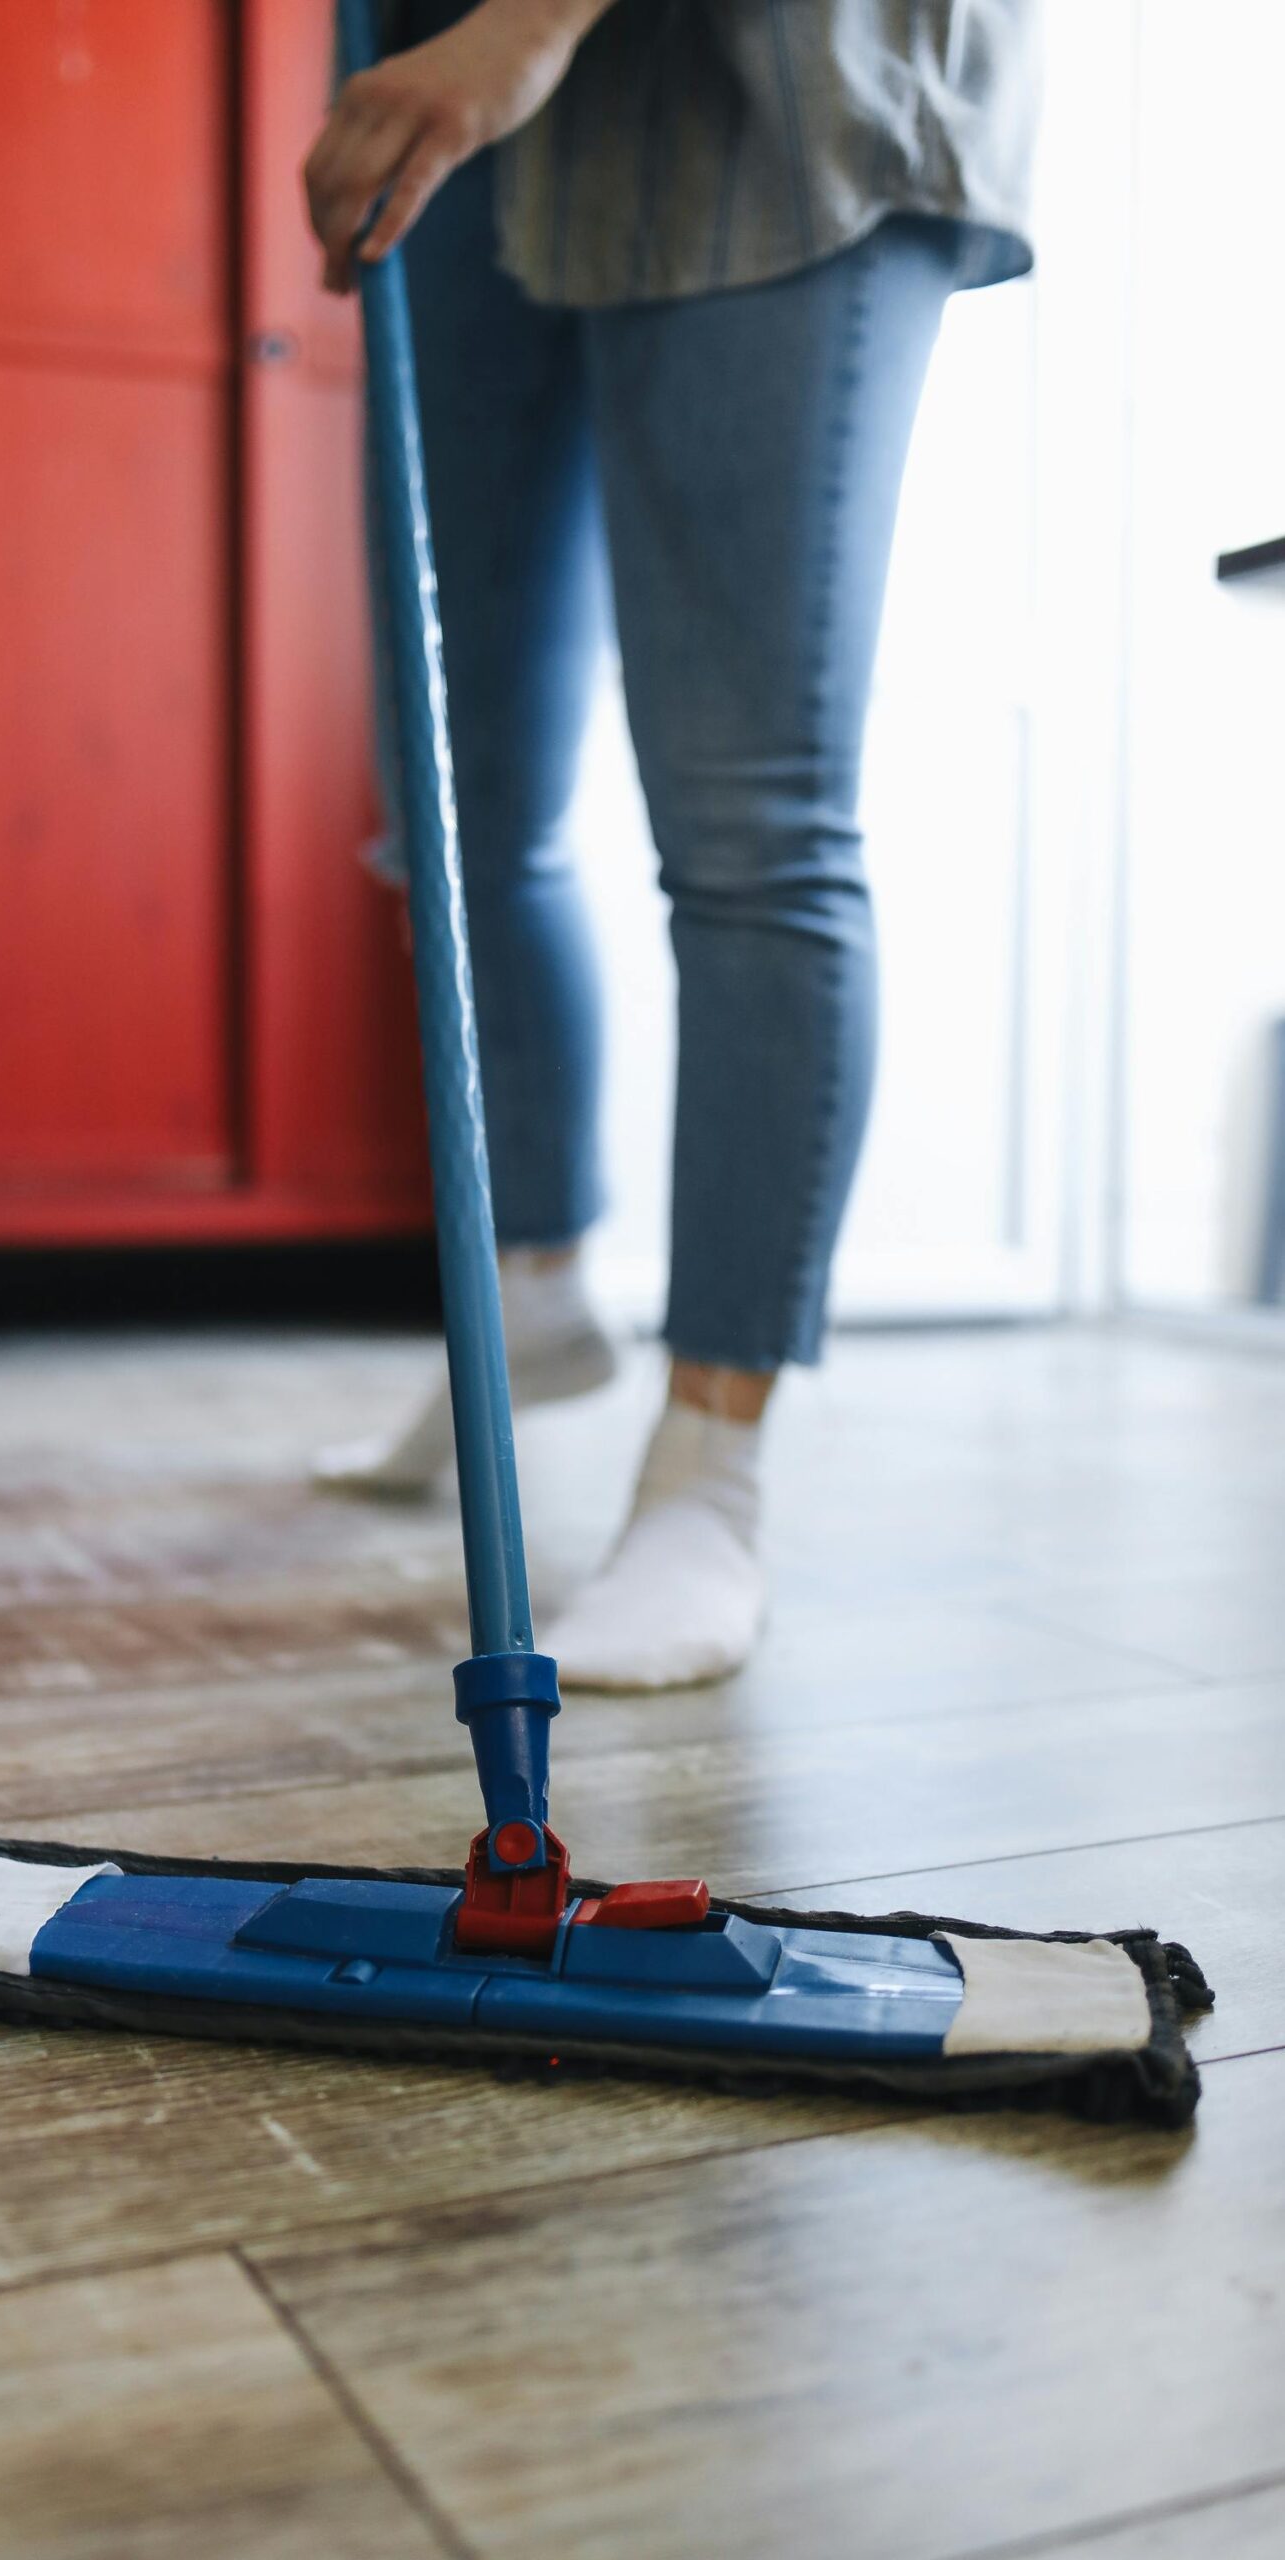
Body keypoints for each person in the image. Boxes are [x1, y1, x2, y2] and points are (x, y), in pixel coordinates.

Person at [305, 0, 1039, 1689]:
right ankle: (532, 1295)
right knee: (453, 803)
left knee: (746, 810)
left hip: (765, 75)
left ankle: (712, 1469)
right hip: (467, 112)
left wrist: (525, 24)